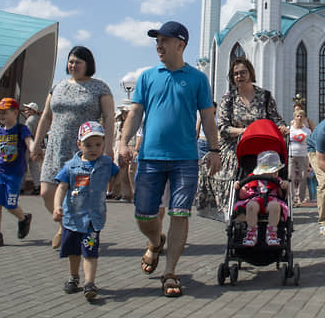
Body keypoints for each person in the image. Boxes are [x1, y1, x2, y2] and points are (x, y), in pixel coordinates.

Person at [119, 21, 220, 298]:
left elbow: (208, 118)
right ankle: (155, 241)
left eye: (164, 40)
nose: (159, 45)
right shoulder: (147, 76)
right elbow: (136, 113)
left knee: (179, 214)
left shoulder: (198, 79)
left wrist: (214, 150)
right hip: (150, 157)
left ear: (181, 44)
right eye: (157, 41)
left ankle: (170, 271)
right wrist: (122, 141)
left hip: (185, 159)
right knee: (143, 214)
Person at [30, 46, 115, 249]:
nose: (73, 65)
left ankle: (75, 232)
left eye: (78, 62)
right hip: (55, 147)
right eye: (70, 61)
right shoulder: (58, 86)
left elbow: (109, 118)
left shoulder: (99, 87)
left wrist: (108, 146)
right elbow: (46, 116)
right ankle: (65, 225)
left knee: (80, 195)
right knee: (47, 192)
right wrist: (36, 142)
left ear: (88, 64)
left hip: (84, 150)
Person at [195, 57, 285, 221]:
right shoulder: (229, 98)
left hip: (261, 143)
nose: (239, 76)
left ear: (250, 73)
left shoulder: (264, 96)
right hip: (234, 144)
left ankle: (266, 200)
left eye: (243, 72)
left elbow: (276, 119)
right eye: (235, 74)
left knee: (271, 160)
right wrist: (246, 131)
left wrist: (282, 127)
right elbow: (222, 127)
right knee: (219, 165)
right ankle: (234, 209)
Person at [53, 121, 121, 299]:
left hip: (93, 220)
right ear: (79, 145)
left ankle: (90, 283)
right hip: (73, 219)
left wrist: (119, 185)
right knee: (74, 252)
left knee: (90, 252)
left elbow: (118, 173)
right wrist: (57, 206)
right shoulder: (70, 166)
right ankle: (74, 277)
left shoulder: (106, 163)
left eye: (98, 145)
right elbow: (61, 187)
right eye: (88, 145)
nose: (93, 149)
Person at [0, 98, 33, 248]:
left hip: (15, 174)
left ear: (15, 112)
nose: (1, 116)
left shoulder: (21, 129)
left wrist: (34, 149)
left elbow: (29, 142)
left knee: (10, 205)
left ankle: (23, 218)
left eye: (5, 112)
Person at [235, 151, 289, 246]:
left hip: (271, 201)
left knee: (275, 206)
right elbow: (243, 195)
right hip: (255, 200)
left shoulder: (278, 181)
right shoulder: (252, 178)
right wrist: (239, 187)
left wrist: (284, 186)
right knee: (251, 205)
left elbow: (282, 196)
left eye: (276, 172)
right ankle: (251, 231)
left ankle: (272, 231)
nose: (275, 174)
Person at [288, 109, 311, 206]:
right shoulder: (290, 129)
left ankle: (300, 197)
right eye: (298, 116)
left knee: (303, 176)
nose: (299, 118)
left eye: (301, 116)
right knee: (290, 176)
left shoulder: (307, 131)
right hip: (291, 154)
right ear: (294, 118)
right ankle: (292, 197)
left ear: (304, 118)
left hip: (303, 155)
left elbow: (310, 144)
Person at [22, 102, 42, 195]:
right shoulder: (38, 119)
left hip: (27, 146)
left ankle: (20, 187)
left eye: (27, 109)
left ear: (32, 111)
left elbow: (27, 135)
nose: (25, 111)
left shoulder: (29, 121)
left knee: (23, 166)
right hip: (36, 145)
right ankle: (37, 185)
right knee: (34, 167)